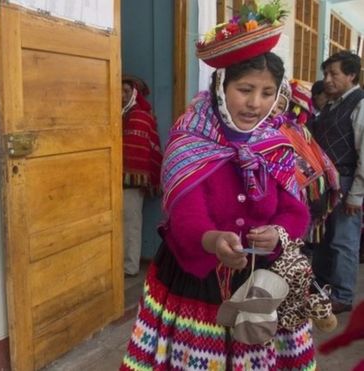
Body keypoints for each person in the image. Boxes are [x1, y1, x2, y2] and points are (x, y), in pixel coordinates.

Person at [121, 3, 314, 369]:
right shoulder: (189, 141)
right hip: (198, 280)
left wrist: (279, 233)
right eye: (245, 89)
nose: (255, 103)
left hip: (263, 281)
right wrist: (213, 240)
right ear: (221, 86)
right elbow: (185, 217)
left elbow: (296, 211)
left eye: (267, 92)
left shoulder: (276, 144)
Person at [310, 51, 364, 315]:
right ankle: (320, 287)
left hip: (345, 181)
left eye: (334, 74)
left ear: (352, 75)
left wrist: (356, 195)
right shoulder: (332, 105)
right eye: (326, 74)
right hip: (325, 182)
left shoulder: (360, 104)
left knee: (344, 240)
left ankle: (342, 295)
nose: (327, 80)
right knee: (322, 237)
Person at [270, 79, 339, 251]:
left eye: (280, 107)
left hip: (299, 201)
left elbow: (316, 159)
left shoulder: (294, 129)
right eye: (272, 103)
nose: (273, 111)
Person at [121, 75, 162, 276]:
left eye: (126, 91)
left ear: (134, 93)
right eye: (118, 91)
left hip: (132, 180)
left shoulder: (140, 116)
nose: (121, 95)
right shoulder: (117, 114)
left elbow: (142, 150)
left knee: (131, 222)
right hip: (112, 177)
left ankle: (130, 267)